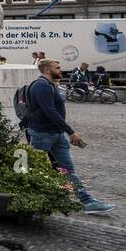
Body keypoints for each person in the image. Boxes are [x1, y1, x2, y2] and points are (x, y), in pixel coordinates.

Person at [26, 58, 115, 213]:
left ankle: (87, 202)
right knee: (33, 168)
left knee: (68, 169)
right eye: (57, 67)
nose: (60, 70)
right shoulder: (41, 86)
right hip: (43, 134)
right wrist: (71, 132)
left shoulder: (50, 85)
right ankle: (25, 197)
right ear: (47, 70)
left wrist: (64, 132)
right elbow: (50, 112)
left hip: (57, 134)